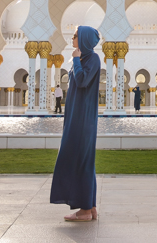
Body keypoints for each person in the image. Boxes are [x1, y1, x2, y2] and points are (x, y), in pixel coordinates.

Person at [50, 26, 101, 222]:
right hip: (77, 117)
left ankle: (85, 211)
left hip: (82, 119)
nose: (72, 38)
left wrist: (76, 59)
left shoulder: (91, 59)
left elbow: (81, 81)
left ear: (85, 40)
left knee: (79, 161)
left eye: (76, 36)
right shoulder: (87, 59)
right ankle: (91, 207)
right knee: (84, 163)